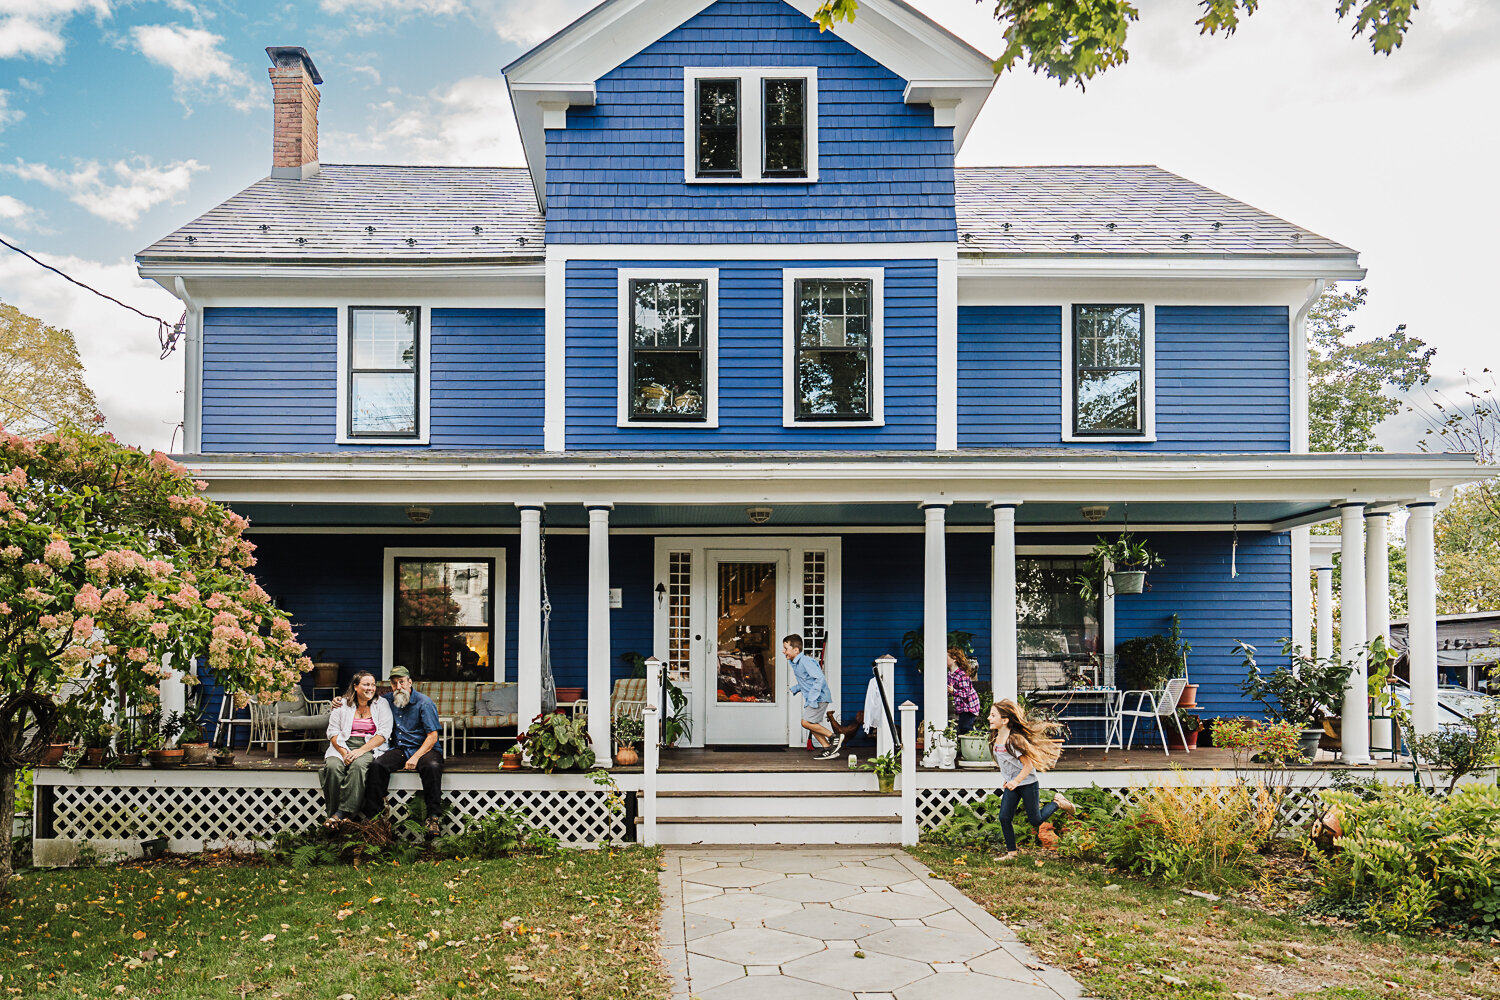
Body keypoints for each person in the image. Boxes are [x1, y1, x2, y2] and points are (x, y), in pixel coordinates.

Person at [360, 666, 446, 835]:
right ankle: (374, 819)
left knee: (432, 767)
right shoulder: (386, 701)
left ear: (410, 682)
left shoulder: (424, 703)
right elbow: (362, 699)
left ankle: (433, 818)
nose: (398, 687)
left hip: (425, 749)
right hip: (400, 748)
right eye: (394, 683)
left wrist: (416, 757)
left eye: (401, 682)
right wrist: (340, 700)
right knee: (378, 765)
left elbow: (432, 736)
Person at [989, 698, 1077, 860]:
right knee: (1004, 817)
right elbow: (1007, 763)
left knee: (1035, 820)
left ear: (1005, 720)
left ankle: (1058, 802)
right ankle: (1011, 853)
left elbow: (1028, 765)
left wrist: (1016, 781)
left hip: (1027, 783)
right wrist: (1008, 779)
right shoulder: (996, 739)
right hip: (1013, 785)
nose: (989, 718)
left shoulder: (1013, 741)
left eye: (993, 715)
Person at [320, 671, 392, 828]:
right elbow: (332, 732)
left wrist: (360, 751)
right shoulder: (342, 704)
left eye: (373, 685)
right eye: (366, 684)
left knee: (358, 767)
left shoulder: (381, 704)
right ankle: (335, 816)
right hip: (341, 745)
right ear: (355, 686)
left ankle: (341, 813)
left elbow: (383, 734)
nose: (371, 688)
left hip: (369, 746)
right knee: (332, 768)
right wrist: (344, 752)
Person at [785, 634, 843, 760]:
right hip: (817, 697)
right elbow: (806, 681)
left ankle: (834, 737)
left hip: (819, 697)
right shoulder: (795, 663)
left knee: (805, 722)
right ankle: (828, 748)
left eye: (786, 648)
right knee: (812, 724)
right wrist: (794, 689)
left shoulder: (805, 661)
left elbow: (819, 678)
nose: (783, 651)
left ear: (796, 650)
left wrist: (812, 698)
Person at [947, 648, 981, 734]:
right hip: (961, 706)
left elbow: (965, 693)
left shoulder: (962, 674)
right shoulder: (949, 674)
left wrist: (953, 691)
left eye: (946, 657)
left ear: (954, 659)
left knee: (965, 728)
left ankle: (984, 736)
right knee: (962, 728)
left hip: (969, 705)